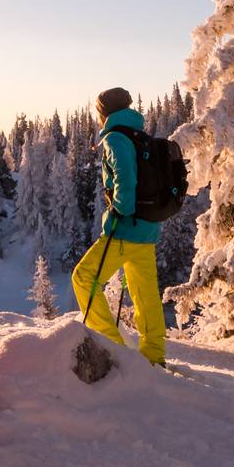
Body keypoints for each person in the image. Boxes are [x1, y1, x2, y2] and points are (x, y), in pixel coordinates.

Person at [72, 86, 166, 365]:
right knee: (145, 294)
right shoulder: (140, 136)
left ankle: (110, 347)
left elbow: (125, 178)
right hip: (147, 229)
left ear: (104, 112)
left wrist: (121, 211)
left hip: (124, 229)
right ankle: (154, 357)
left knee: (84, 278)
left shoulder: (115, 138)